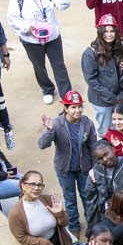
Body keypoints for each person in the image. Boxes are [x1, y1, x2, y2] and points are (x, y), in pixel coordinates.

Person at [7, 0, 71, 104]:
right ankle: (47, 89)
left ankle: (66, 94)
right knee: (39, 66)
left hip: (52, 36)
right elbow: (12, 19)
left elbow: (64, 5)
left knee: (59, 65)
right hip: (32, 40)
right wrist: (27, 27)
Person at [38, 91, 100, 235]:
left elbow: (93, 147)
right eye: (73, 107)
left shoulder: (87, 123)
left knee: (87, 196)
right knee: (70, 198)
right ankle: (74, 226)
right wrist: (48, 131)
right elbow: (42, 144)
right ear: (66, 108)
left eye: (79, 107)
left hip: (84, 168)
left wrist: (94, 169)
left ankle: (92, 225)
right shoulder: (57, 123)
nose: (77, 110)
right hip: (64, 169)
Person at [8, 170, 74, 245]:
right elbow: (21, 237)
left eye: (39, 185)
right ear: (23, 185)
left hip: (60, 243)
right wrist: (42, 242)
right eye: (32, 184)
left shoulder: (48, 199)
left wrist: (60, 214)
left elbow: (64, 223)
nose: (37, 188)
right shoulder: (16, 213)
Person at [81, 15, 123, 135]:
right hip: (102, 101)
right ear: (100, 32)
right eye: (105, 31)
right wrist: (114, 99)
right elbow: (92, 82)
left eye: (111, 31)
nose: (109, 34)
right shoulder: (90, 53)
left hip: (121, 98)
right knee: (106, 132)